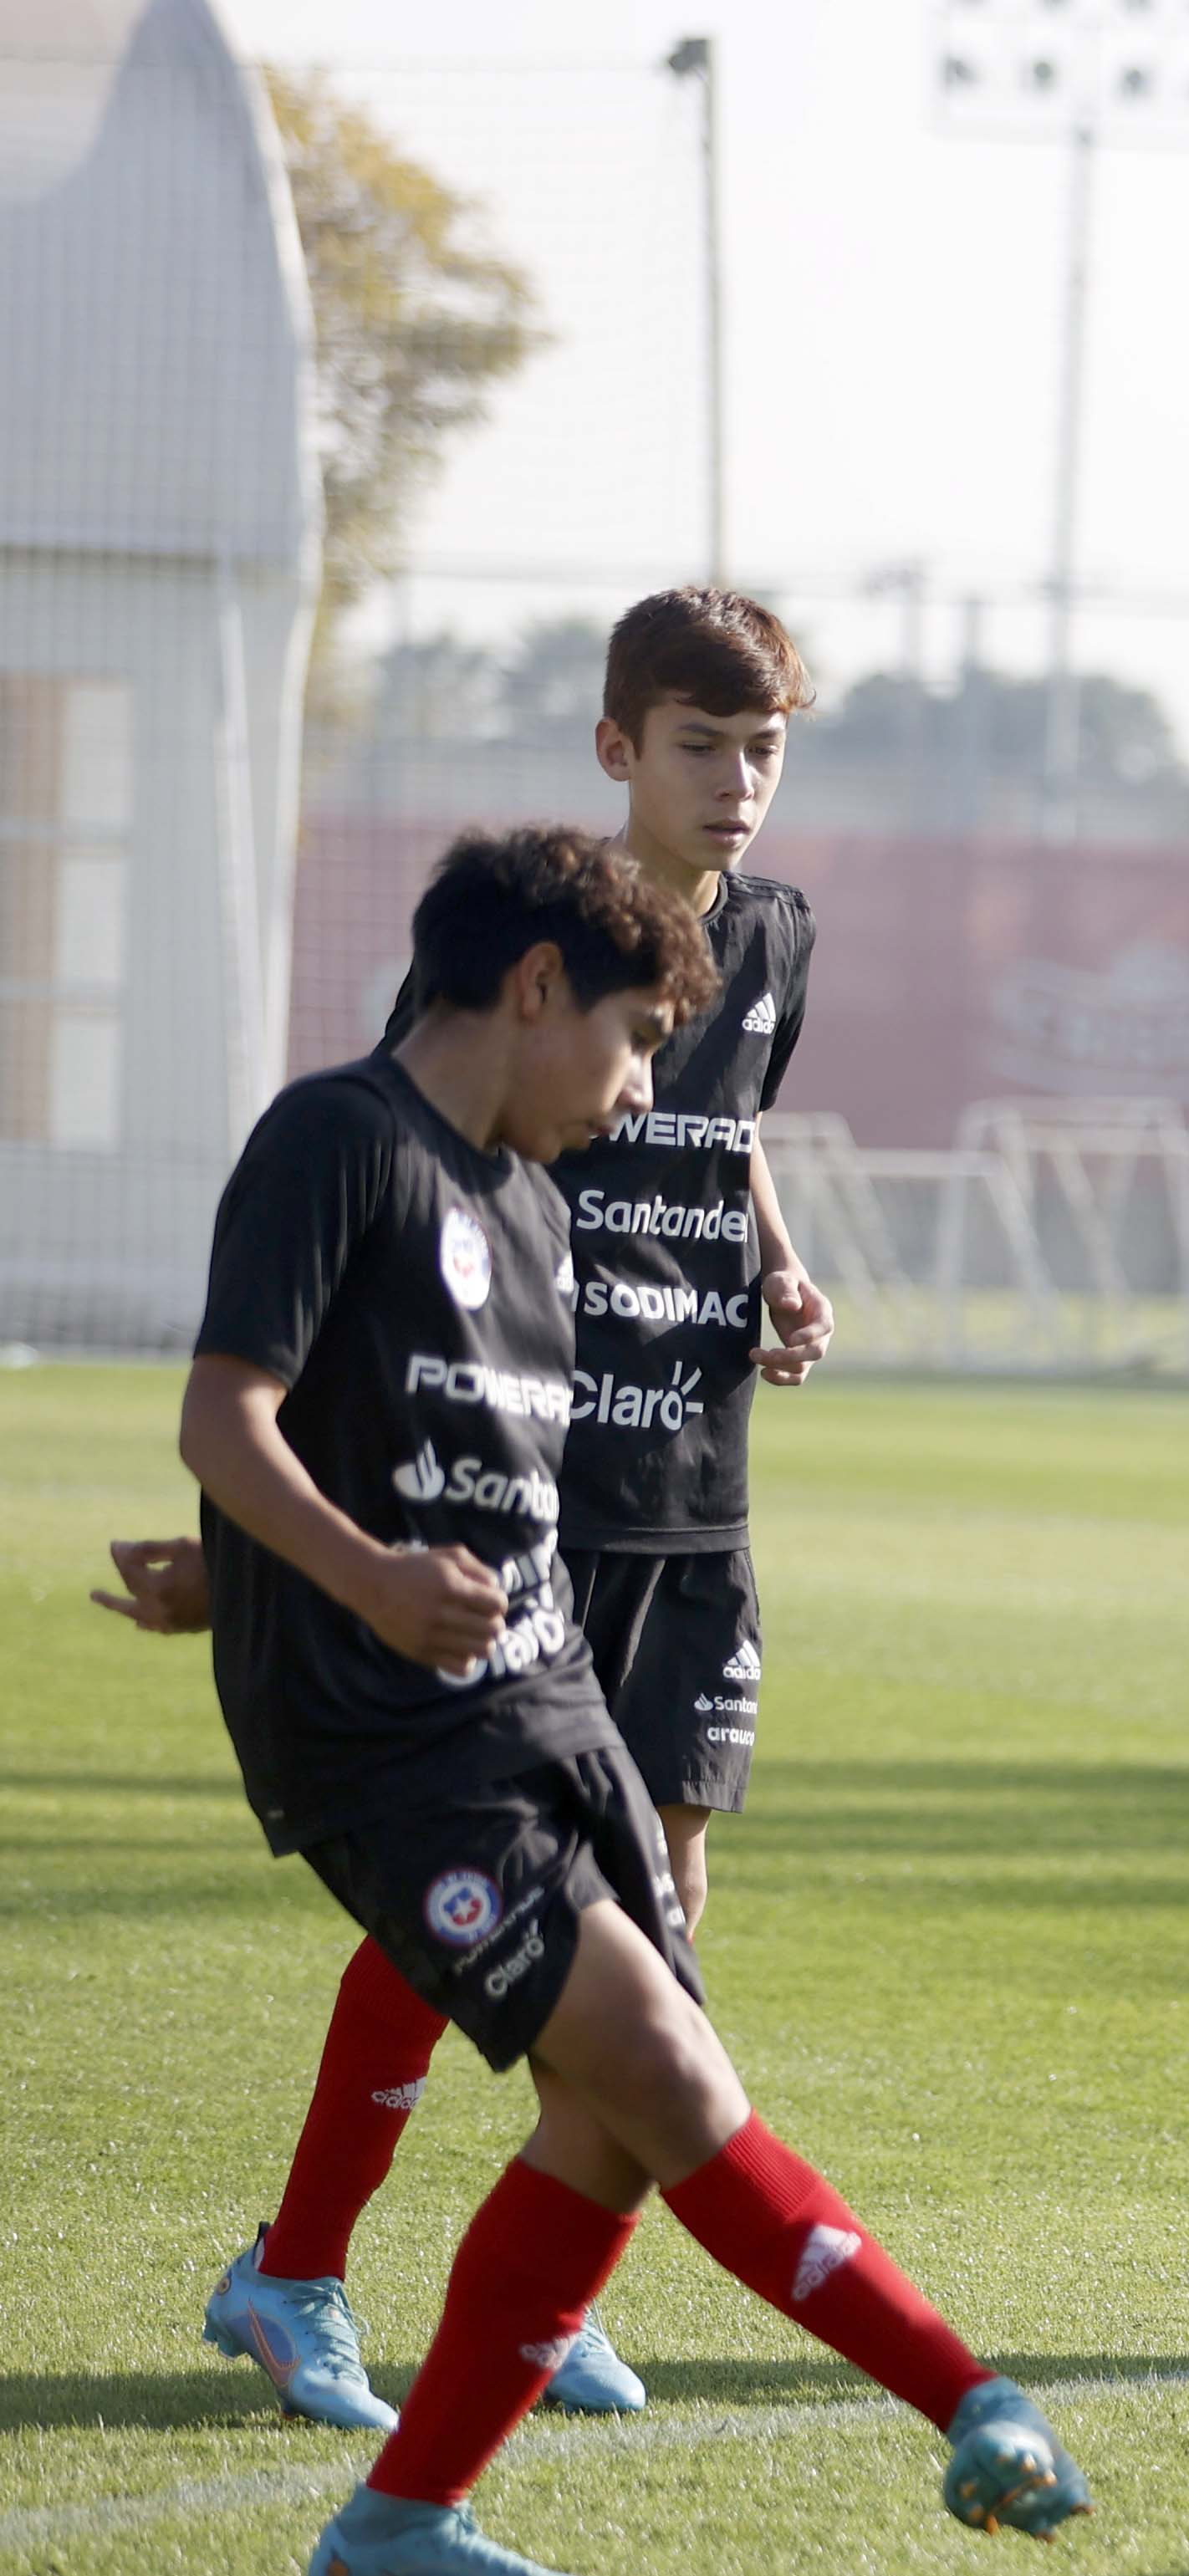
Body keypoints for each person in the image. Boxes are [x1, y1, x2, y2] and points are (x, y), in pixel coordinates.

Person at [179, 824, 1074, 2576]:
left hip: (554, 1704)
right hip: (392, 1740)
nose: (649, 1081)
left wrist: (246, 1567)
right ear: (531, 987)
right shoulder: (336, 1142)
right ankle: (970, 2396)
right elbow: (227, 1421)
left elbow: (440, 1466)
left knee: (605, 2117)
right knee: (666, 2075)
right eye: (637, 1035)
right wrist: (346, 1575)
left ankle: (402, 2521)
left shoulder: (525, 1203)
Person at [151, 589, 832, 2437]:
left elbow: (732, 1117)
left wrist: (773, 1265)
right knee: (471, 1908)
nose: (739, 782)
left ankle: (553, 2271)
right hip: (536, 1499)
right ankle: (297, 2268)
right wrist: (282, 1544)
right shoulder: (535, 951)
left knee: (666, 1899)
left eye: (765, 747)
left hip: (700, 1490)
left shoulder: (768, 941)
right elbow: (394, 1211)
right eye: (702, 744)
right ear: (619, 750)